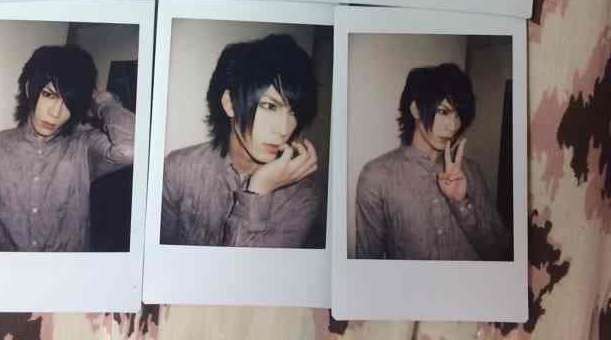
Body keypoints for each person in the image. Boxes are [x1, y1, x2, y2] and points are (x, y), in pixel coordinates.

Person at [0, 45, 135, 252]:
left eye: (68, 103)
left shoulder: (83, 147)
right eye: (49, 94)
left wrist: (102, 101)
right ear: (29, 89)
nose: (55, 113)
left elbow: (130, 149)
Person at [161, 34, 322, 248]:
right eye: (269, 106)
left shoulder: (301, 196)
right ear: (230, 104)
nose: (284, 129)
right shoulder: (179, 169)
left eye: (293, 112)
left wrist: (259, 189)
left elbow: (246, 269)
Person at [355, 63, 511, 261]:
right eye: (443, 112)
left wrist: (462, 203)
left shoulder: (471, 171)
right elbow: (368, 262)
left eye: (458, 115)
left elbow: (499, 252)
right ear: (416, 109)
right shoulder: (377, 177)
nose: (452, 126)